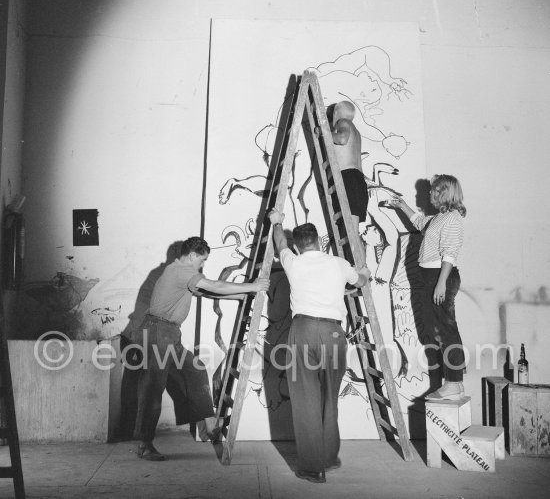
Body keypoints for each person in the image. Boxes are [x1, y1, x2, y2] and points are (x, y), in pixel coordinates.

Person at [133, 236, 270, 461]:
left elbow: (207, 292)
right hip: (157, 332)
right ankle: (145, 444)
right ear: (192, 256)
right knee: (152, 390)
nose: (203, 264)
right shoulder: (180, 271)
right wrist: (253, 286)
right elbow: (213, 285)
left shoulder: (183, 273)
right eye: (202, 260)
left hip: (167, 333)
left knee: (195, 370)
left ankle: (208, 423)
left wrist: (242, 295)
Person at [268, 208, 370, 483]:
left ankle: (314, 468)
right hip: (333, 333)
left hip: (302, 330)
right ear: (318, 241)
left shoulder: (293, 262)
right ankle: (329, 458)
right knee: (329, 398)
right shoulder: (338, 263)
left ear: (299, 246)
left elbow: (279, 242)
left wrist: (277, 222)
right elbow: (360, 280)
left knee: (305, 400)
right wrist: (363, 272)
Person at [388, 174, 466, 400]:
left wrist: (441, 283)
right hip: (431, 278)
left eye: (433, 190)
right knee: (438, 331)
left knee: (445, 330)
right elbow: (420, 223)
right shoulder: (439, 217)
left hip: (439, 277)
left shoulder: (452, 218)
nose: (429, 193)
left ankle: (453, 382)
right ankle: (455, 384)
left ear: (444, 192)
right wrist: (402, 205)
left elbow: (450, 252)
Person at [330, 100, 370, 266]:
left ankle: (361, 274)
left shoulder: (343, 123)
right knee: (353, 232)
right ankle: (362, 272)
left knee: (351, 232)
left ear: (336, 113)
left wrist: (323, 132)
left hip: (349, 179)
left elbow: (342, 139)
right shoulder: (357, 131)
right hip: (357, 181)